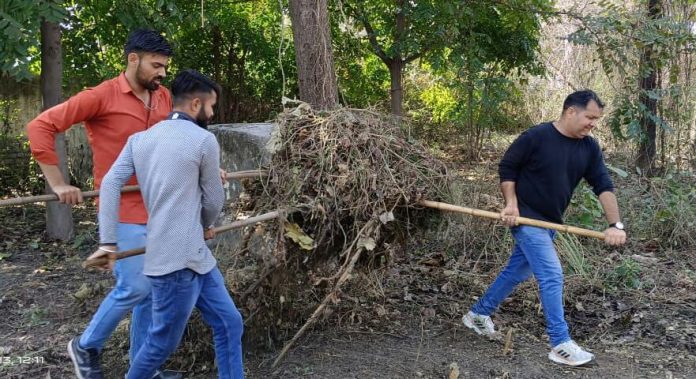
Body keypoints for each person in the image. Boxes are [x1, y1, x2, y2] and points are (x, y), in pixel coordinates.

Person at [26, 29, 182, 379]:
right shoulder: (101, 96)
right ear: (132, 59)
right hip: (121, 209)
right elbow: (41, 126)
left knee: (153, 290)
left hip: (159, 207)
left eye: (165, 67)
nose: (161, 73)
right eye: (156, 65)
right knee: (136, 286)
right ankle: (85, 346)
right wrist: (58, 182)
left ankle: (142, 368)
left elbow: (176, 140)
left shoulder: (164, 98)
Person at [93, 69, 244, 379]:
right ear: (195, 104)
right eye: (211, 106)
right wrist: (206, 222)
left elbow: (109, 184)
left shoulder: (141, 140)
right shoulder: (204, 139)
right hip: (176, 263)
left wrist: (108, 241)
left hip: (195, 257)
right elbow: (214, 199)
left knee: (229, 321)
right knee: (161, 343)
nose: (212, 113)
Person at [462, 90, 627, 367]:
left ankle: (478, 314)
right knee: (552, 274)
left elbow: (603, 184)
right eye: (590, 117)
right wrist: (511, 205)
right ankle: (560, 343)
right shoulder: (536, 137)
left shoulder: (589, 147)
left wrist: (616, 224)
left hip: (550, 221)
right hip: (527, 220)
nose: (593, 124)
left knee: (517, 271)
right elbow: (508, 168)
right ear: (570, 111)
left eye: (596, 119)